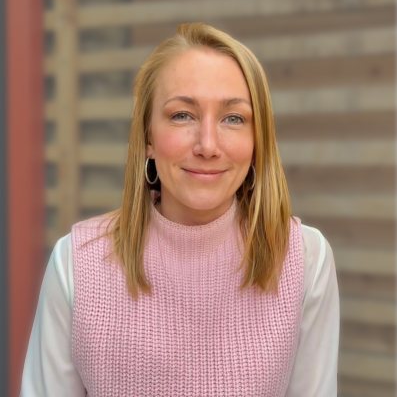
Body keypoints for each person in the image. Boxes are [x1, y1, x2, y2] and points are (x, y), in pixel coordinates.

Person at [20, 22, 339, 396]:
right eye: (182, 115)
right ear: (148, 138)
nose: (207, 144)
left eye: (233, 118)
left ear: (257, 141)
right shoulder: (76, 263)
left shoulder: (305, 259)